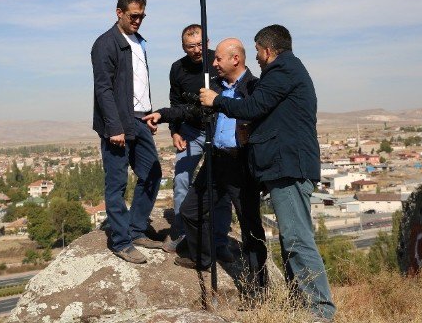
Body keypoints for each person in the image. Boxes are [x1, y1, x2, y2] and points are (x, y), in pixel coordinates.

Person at [199, 25, 336, 321]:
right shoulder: (288, 71)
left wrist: (217, 100)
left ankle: (320, 311)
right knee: (291, 240)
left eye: (259, 52)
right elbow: (268, 114)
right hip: (284, 165)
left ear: (268, 50)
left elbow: (253, 106)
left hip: (289, 166)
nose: (257, 59)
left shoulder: (283, 71)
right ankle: (301, 304)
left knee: (297, 239)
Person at [144, 39, 267, 290]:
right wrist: (163, 114)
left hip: (241, 165)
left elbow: (255, 115)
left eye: (218, 59)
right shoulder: (215, 88)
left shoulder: (254, 88)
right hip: (216, 160)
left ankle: (259, 288)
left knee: (249, 227)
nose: (214, 63)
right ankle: (202, 258)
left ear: (235, 59)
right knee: (190, 211)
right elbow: (191, 111)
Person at [91, 0, 163, 264]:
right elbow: (104, 89)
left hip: (141, 119)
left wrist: (149, 113)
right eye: (134, 16)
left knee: (152, 173)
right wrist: (114, 127)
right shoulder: (105, 44)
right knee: (117, 183)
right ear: (119, 13)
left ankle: (135, 229)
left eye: (142, 16)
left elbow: (139, 84)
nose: (138, 21)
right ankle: (121, 241)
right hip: (119, 122)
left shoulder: (138, 42)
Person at [162, 24, 233, 261]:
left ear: (208, 42)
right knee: (182, 180)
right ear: (183, 46)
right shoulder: (177, 69)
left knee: (220, 188)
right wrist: (175, 131)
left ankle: (220, 242)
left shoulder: (217, 62)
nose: (196, 50)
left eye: (200, 44)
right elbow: (175, 101)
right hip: (190, 131)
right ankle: (182, 233)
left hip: (218, 131)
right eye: (190, 46)